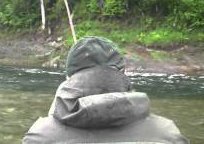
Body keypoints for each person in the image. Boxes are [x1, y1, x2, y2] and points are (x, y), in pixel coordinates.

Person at [23, 37, 189, 144]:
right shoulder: (168, 133)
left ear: (69, 79)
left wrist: (55, 115)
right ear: (123, 74)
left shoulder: (40, 136)